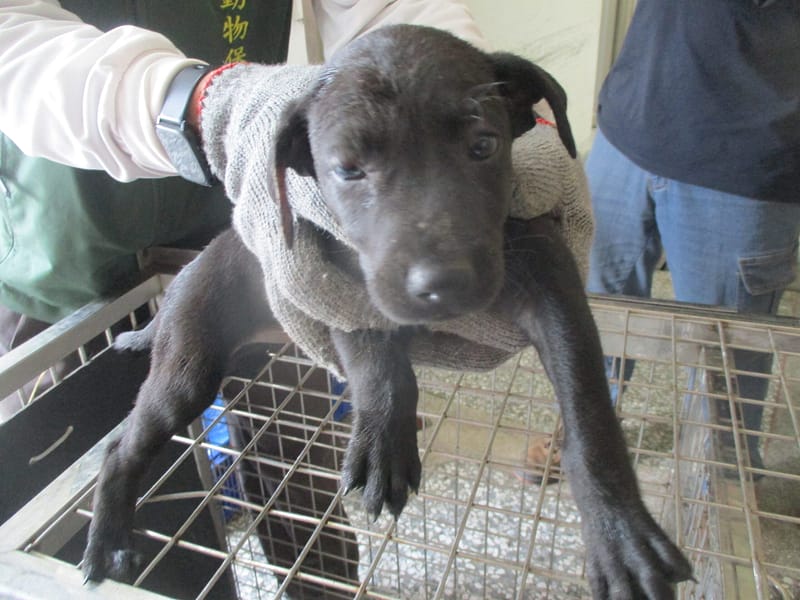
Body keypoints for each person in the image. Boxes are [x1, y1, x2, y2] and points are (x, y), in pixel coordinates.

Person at [0, 0, 485, 419]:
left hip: (244, 207)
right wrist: (189, 105)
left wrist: (472, 106)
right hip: (66, 238)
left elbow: (382, 9)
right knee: (99, 471)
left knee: (295, 437)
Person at [585, 0, 800, 475]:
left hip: (745, 158)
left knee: (724, 355)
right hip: (629, 127)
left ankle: (719, 485)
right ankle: (585, 433)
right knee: (597, 313)